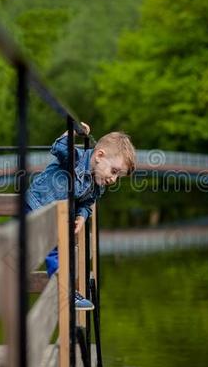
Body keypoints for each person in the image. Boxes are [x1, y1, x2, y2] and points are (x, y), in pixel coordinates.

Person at [25, 122, 136, 310]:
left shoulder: (96, 184)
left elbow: (86, 203)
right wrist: (73, 131)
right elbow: (60, 147)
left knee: (60, 248)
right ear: (100, 156)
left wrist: (82, 217)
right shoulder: (74, 160)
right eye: (114, 171)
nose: (113, 179)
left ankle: (66, 291)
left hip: (55, 216)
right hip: (34, 205)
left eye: (118, 176)